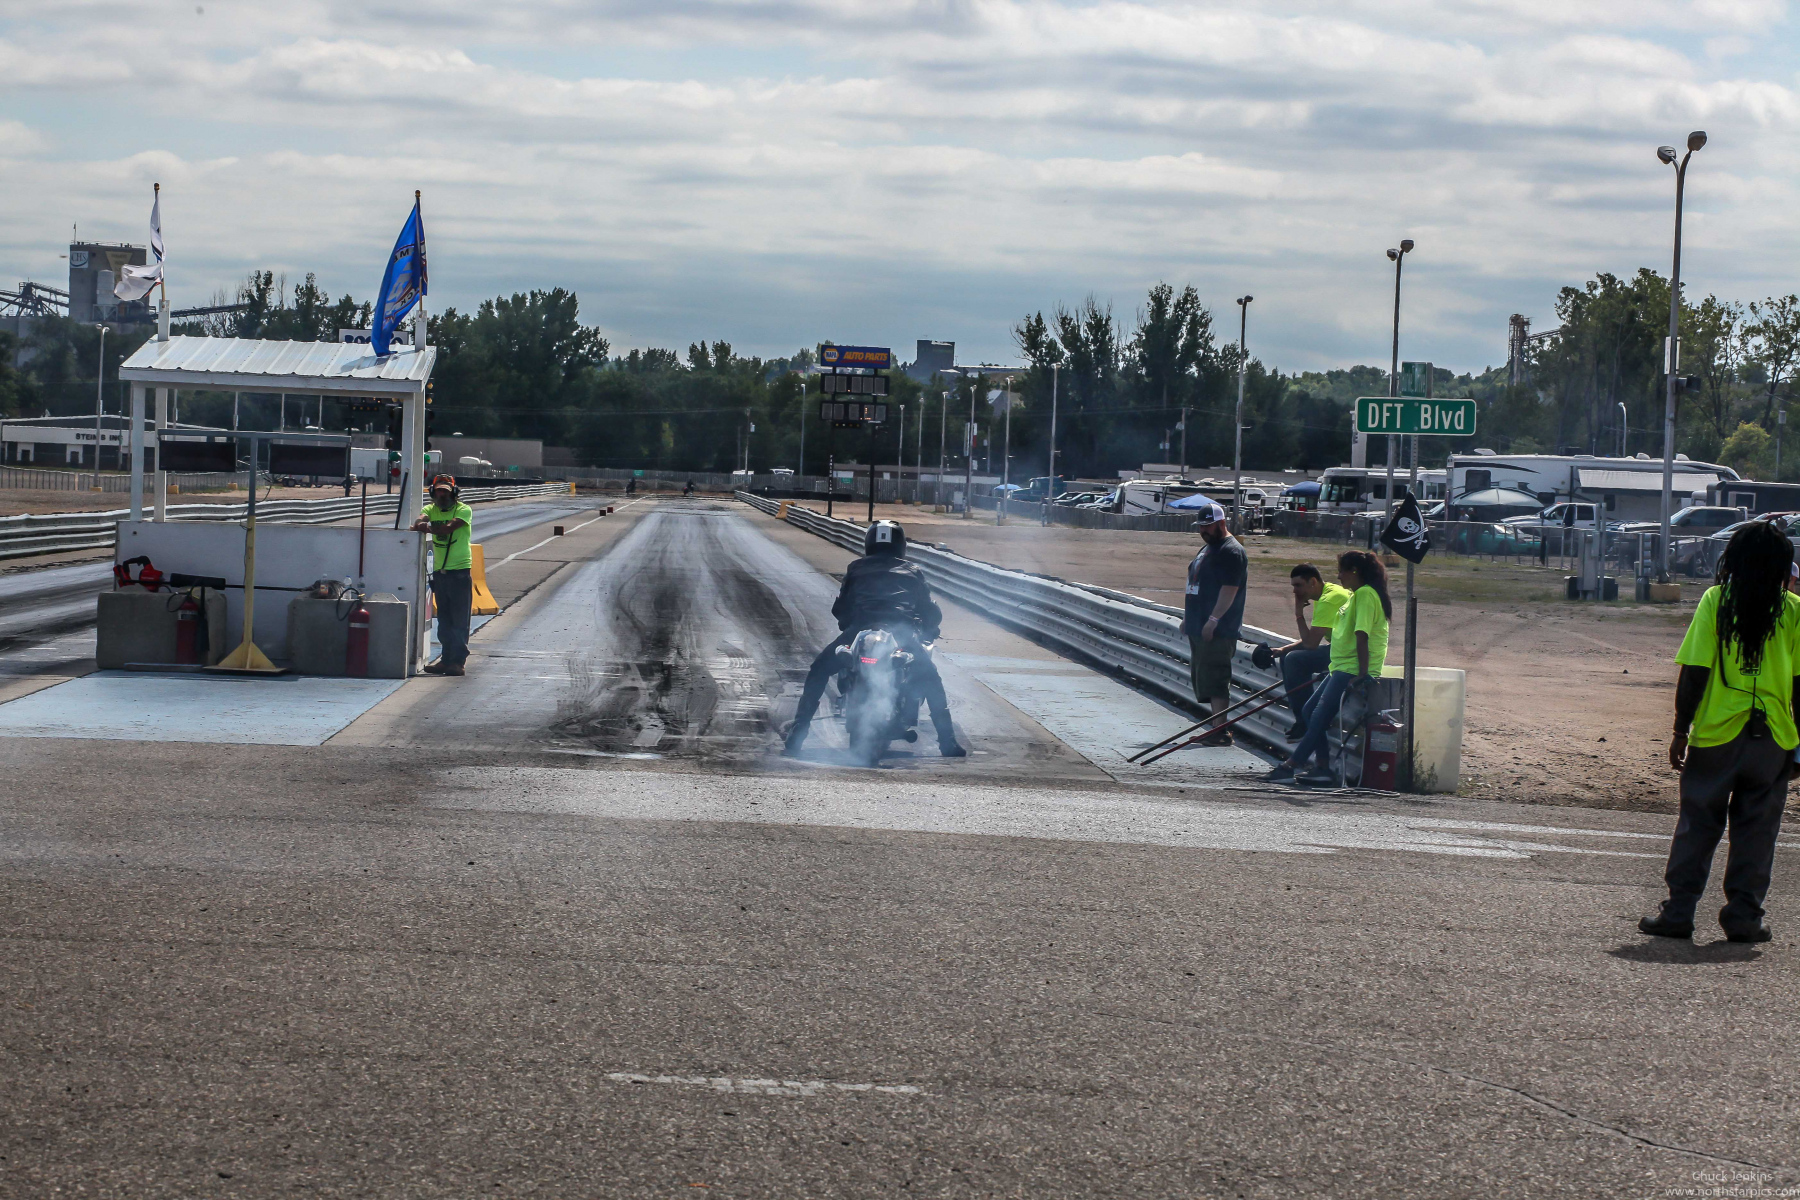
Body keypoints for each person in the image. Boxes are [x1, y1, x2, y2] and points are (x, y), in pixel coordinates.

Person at [1640, 520, 1800, 943]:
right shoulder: (1793, 610)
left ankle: (1679, 912)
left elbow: (1695, 672)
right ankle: (1744, 918)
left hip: (1716, 737)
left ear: (1734, 560)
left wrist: (1680, 730)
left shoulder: (1716, 600)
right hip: (1773, 740)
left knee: (1698, 823)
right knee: (1758, 831)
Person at [784, 520, 965, 758]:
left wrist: (847, 623)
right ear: (900, 544)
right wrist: (929, 628)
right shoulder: (912, 571)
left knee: (818, 670)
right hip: (901, 634)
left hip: (860, 629)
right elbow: (929, 611)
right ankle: (947, 742)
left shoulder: (856, 568)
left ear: (869, 543)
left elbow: (840, 607)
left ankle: (798, 731)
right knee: (931, 678)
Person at [1263, 550, 1391, 785]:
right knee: (1309, 711)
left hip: (1351, 668)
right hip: (1340, 665)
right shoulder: (1356, 595)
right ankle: (1322, 768)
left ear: (1355, 571)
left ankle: (1291, 765)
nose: (1338, 576)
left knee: (1319, 715)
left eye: (1342, 571)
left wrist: (1363, 674)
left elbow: (1362, 635)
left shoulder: (1365, 594)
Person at [1178, 501, 1248, 747]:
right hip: (1199, 624)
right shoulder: (1208, 548)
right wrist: (1188, 618)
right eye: (1201, 526)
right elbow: (1197, 584)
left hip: (1219, 629)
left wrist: (1213, 620)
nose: (1203, 531)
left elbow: (1229, 589)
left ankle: (1220, 731)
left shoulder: (1231, 551)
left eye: (1208, 526)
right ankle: (1215, 727)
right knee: (1205, 677)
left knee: (1217, 677)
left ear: (1222, 523)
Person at [1271, 563, 1354, 742]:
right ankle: (1305, 716)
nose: (1295, 591)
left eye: (1298, 585)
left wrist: (1298, 614)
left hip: (1349, 654)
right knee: (1287, 656)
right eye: (1293, 586)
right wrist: (1284, 649)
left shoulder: (1328, 601)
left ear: (1313, 582)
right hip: (1342, 649)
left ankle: (1305, 721)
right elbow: (1313, 637)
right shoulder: (1327, 592)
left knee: (1294, 660)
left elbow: (1310, 644)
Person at [410, 474, 474, 677]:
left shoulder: (463, 510)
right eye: (438, 491)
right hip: (440, 574)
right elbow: (419, 520)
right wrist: (421, 523)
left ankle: (458, 662)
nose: (442, 495)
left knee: (459, 620)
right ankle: (446, 660)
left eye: (445, 491)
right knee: (444, 621)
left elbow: (448, 529)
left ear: (453, 493)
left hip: (460, 572)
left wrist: (427, 528)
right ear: (433, 492)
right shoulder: (431, 509)